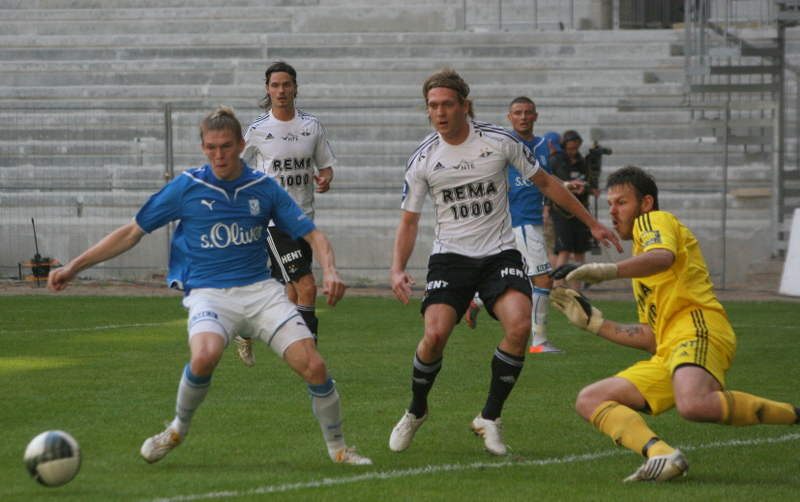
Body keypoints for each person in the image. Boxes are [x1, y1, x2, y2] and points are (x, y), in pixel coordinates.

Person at [47, 106, 371, 467]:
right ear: (203, 146)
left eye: (227, 146)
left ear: (240, 144)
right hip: (210, 292)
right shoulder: (187, 187)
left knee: (314, 367)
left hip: (261, 292)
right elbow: (131, 232)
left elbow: (313, 233)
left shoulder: (263, 188)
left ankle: (339, 449)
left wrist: (332, 269)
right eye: (212, 147)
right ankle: (176, 430)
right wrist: (74, 267)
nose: (219, 154)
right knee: (204, 357)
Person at [389, 68, 622, 457]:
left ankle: (489, 417)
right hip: (450, 258)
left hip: (499, 253)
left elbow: (547, 183)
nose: (440, 112)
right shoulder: (424, 158)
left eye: (448, 104)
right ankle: (416, 409)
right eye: (433, 106)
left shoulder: (500, 141)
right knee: (434, 337)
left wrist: (593, 222)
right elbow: (409, 221)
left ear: (465, 105)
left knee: (519, 325)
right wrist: (397, 268)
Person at [549, 165, 799, 482]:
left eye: (621, 202)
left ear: (646, 203)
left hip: (698, 327)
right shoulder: (641, 261)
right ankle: (662, 454)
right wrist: (595, 324)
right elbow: (652, 336)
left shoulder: (654, 222)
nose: (612, 211)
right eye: (610, 204)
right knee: (590, 399)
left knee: (694, 404)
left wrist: (606, 270)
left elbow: (663, 256)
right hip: (669, 350)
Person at [234, 61, 336, 366]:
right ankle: (309, 353)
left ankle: (245, 330)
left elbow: (325, 166)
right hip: (273, 220)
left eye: (286, 84)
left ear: (295, 88)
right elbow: (236, 167)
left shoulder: (311, 126)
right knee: (307, 286)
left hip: (304, 220)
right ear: (267, 89)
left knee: (289, 294)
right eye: (275, 85)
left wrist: (325, 178)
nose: (281, 90)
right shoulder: (258, 129)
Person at [465, 98, 564, 354]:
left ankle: (477, 300)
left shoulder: (542, 146)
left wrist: (565, 187)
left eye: (528, 113)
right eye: (518, 113)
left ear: (536, 116)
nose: (523, 117)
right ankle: (539, 341)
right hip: (519, 221)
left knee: (517, 279)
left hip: (533, 220)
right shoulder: (503, 143)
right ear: (510, 118)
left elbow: (544, 179)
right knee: (543, 279)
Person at [549, 130, 599, 291]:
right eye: (570, 148)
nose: (573, 151)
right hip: (561, 211)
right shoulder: (556, 160)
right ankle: (558, 285)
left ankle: (577, 289)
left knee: (580, 250)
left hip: (581, 210)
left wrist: (590, 189)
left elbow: (589, 182)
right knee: (563, 249)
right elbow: (550, 183)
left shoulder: (583, 162)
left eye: (575, 148)